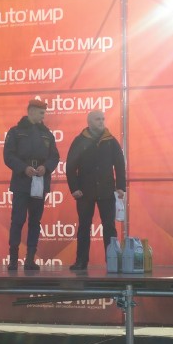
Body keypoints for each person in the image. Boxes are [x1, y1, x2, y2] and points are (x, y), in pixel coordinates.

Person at [3, 99, 60, 270]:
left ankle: (30, 259)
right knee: (18, 220)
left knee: (35, 221)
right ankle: (13, 259)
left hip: (39, 182)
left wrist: (46, 167)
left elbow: (54, 156)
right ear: (31, 111)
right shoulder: (15, 132)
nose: (43, 116)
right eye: (41, 113)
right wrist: (23, 168)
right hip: (22, 181)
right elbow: (8, 156)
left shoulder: (47, 134)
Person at [66, 110, 126, 270]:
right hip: (85, 192)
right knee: (84, 227)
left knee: (109, 227)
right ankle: (81, 261)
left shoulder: (111, 141)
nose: (101, 122)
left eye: (102, 119)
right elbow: (70, 166)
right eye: (97, 119)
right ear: (89, 122)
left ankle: (112, 261)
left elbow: (120, 165)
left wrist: (120, 186)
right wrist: (74, 188)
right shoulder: (79, 140)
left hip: (107, 191)